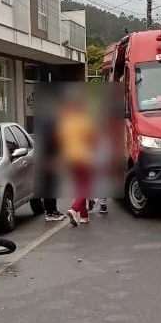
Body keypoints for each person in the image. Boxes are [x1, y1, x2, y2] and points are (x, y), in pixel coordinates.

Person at [57, 91, 96, 227]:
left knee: (79, 186)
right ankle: (74, 210)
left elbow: (60, 141)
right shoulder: (85, 120)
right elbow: (92, 140)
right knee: (85, 186)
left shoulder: (65, 122)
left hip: (69, 158)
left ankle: (84, 216)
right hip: (84, 157)